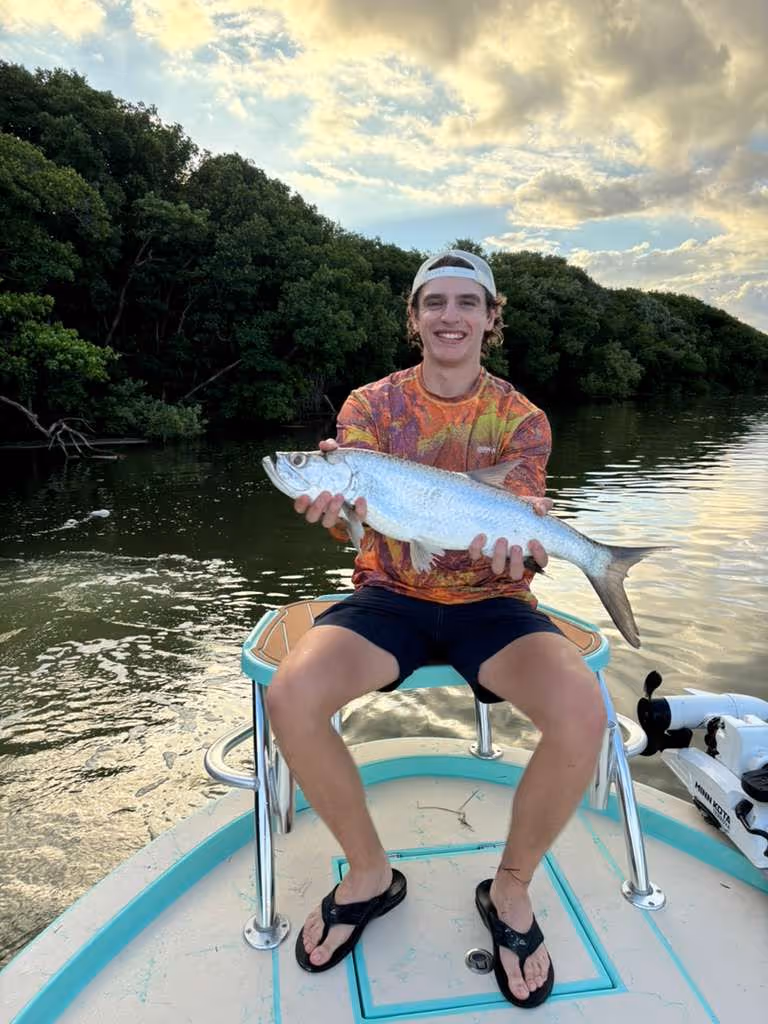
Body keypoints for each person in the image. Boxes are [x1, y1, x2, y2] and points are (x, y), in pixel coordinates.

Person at [265, 250, 607, 1007]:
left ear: (492, 316)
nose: (449, 316)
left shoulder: (522, 418)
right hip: (391, 593)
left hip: (495, 599)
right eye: (434, 303)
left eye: (466, 302)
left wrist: (523, 545)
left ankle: (511, 887)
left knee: (584, 709)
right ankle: (368, 873)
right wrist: (336, 517)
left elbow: (518, 517)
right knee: (291, 694)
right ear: (414, 318)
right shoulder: (369, 406)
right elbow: (354, 535)